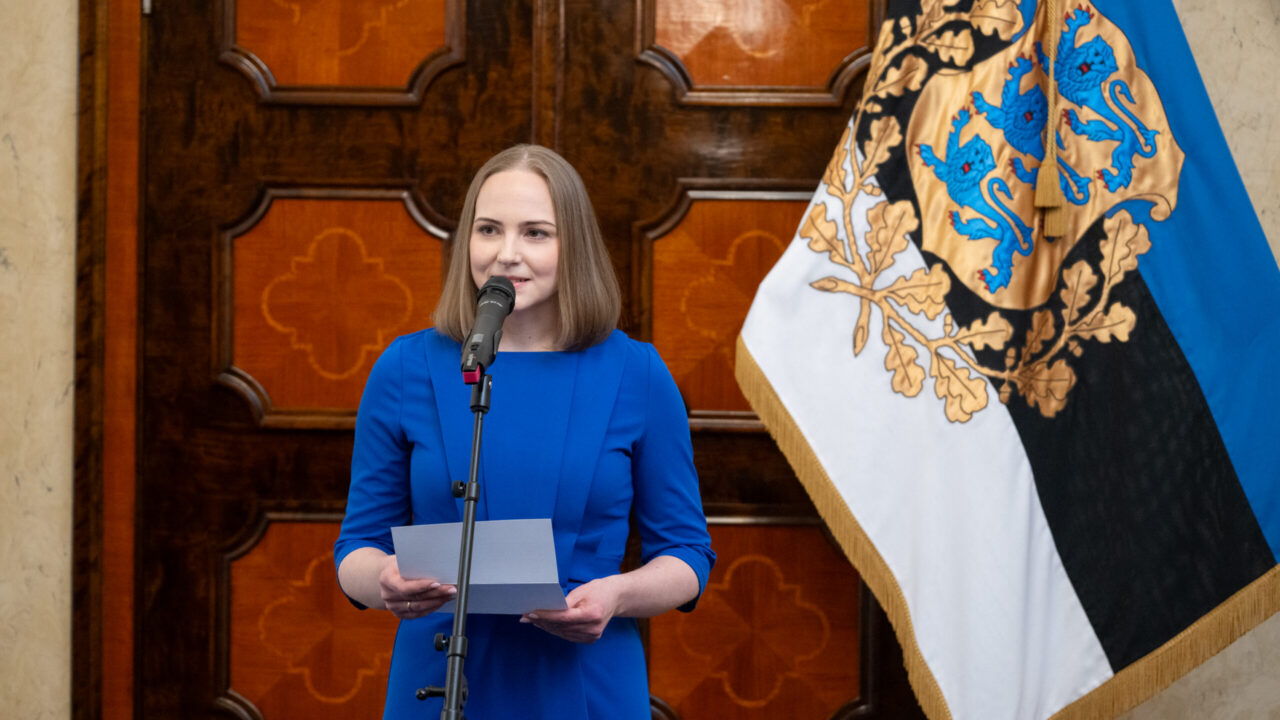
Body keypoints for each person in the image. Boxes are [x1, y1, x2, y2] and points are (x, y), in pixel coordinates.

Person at [334, 144, 715, 719]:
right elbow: (355, 549)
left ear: (574, 247)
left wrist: (617, 596)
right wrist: (383, 578)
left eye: (536, 233)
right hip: (437, 680)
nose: (505, 255)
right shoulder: (407, 366)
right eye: (489, 229)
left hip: (584, 680)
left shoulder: (635, 373)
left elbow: (687, 555)